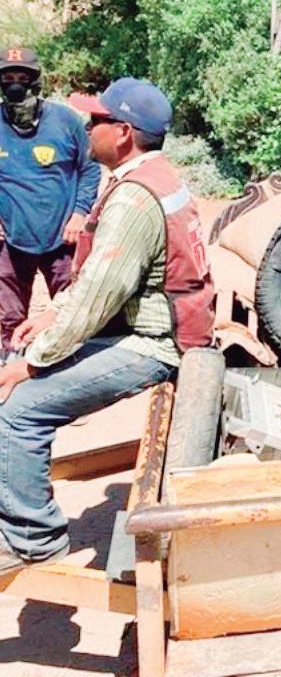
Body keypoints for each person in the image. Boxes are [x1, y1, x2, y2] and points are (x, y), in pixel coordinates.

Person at [0, 77, 215, 574]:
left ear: (123, 133)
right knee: (22, 361)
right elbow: (96, 279)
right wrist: (52, 314)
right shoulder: (155, 175)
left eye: (96, 119)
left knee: (17, 409)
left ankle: (33, 539)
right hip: (154, 326)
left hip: (155, 343)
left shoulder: (133, 199)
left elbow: (100, 294)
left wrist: (34, 364)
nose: (85, 126)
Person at [0, 47, 101, 357]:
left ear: (36, 81)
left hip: (63, 239)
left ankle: (67, 363)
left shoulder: (65, 121)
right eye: (8, 78)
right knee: (8, 315)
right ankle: (11, 362)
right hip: (10, 241)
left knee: (72, 309)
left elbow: (90, 169)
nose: (15, 85)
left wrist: (80, 212)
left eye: (23, 78)